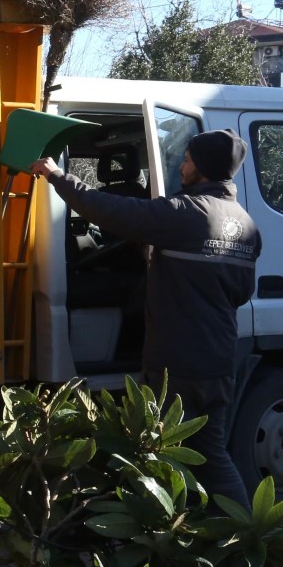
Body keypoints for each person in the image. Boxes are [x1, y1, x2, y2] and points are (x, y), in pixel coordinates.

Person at [30, 129, 261, 508]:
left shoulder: (186, 214)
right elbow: (240, 293)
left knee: (159, 456)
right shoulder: (246, 226)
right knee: (212, 455)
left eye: (187, 160)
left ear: (203, 167)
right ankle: (243, 532)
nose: (182, 166)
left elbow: (111, 210)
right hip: (219, 362)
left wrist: (57, 176)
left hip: (176, 366)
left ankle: (165, 532)